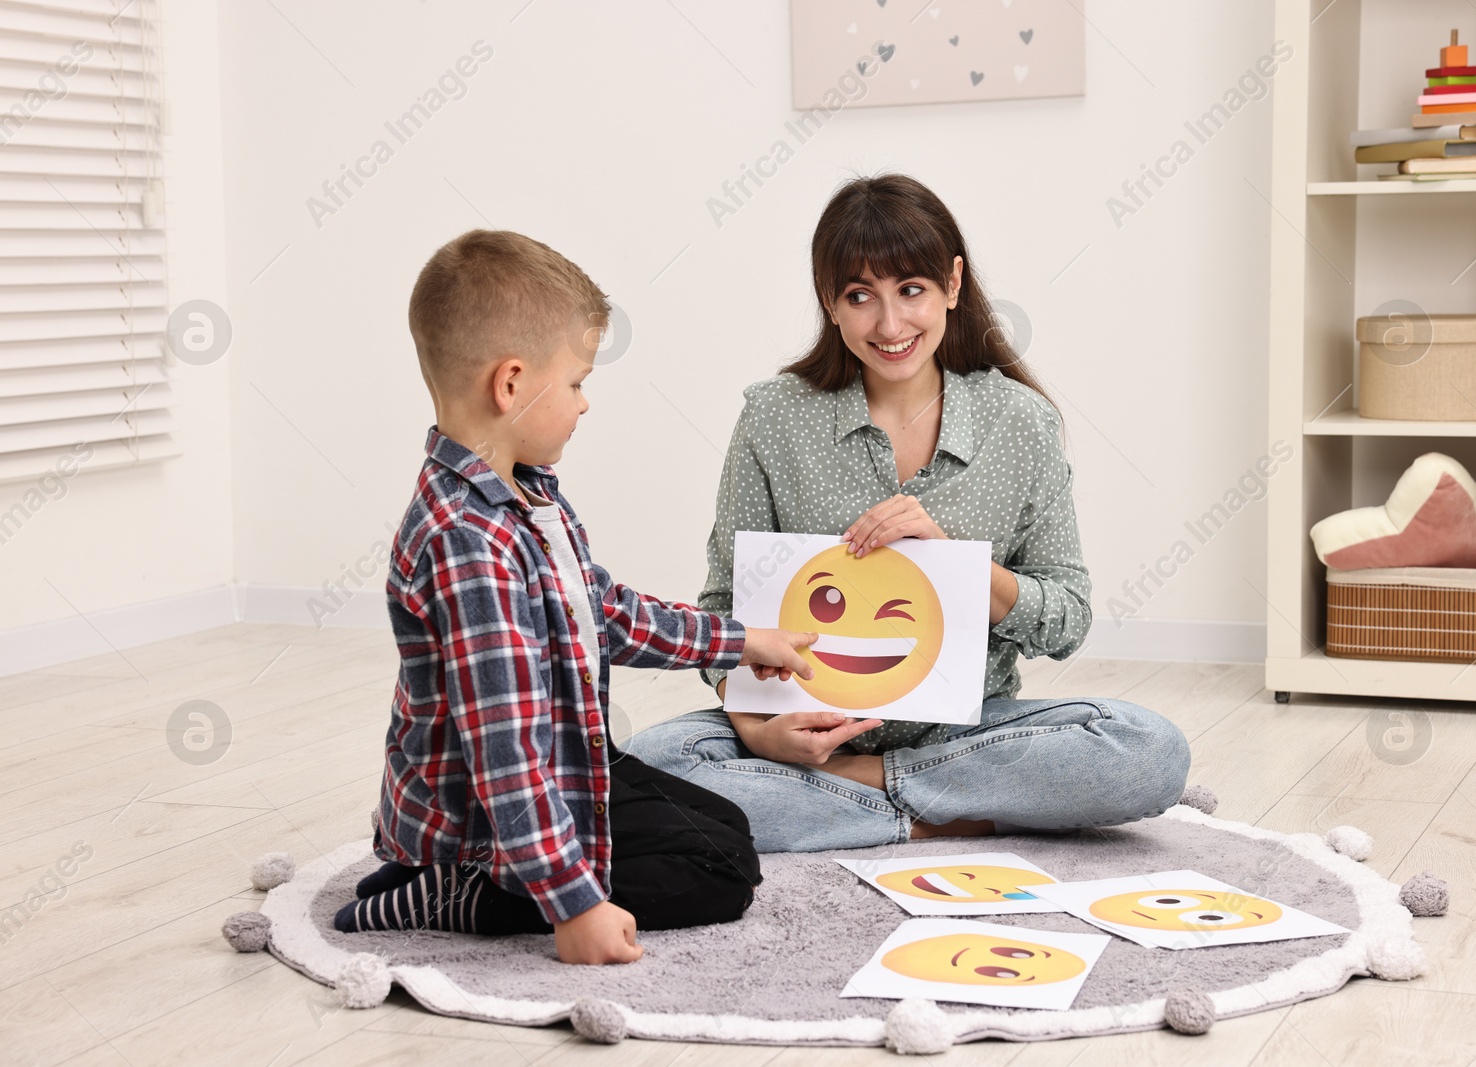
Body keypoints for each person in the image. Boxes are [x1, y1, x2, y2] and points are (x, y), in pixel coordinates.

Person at [627, 175, 1192, 853]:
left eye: (911, 290)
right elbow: (723, 606)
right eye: (860, 296)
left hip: (967, 731)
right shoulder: (773, 415)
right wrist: (753, 726)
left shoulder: (1020, 421)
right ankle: (952, 819)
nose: (890, 325)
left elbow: (1067, 618)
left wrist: (962, 569)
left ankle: (855, 793)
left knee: (1150, 749)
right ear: (830, 304)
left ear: (953, 284)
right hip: (799, 727)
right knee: (650, 762)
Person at [334, 230, 819, 965]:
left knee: (727, 827)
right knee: (720, 872)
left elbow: (607, 610)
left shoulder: (526, 495)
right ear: (511, 383)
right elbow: (505, 754)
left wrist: (742, 640)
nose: (585, 404)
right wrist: (575, 904)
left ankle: (434, 873)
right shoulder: (471, 543)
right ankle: (458, 890)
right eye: (577, 382)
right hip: (486, 818)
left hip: (567, 759)